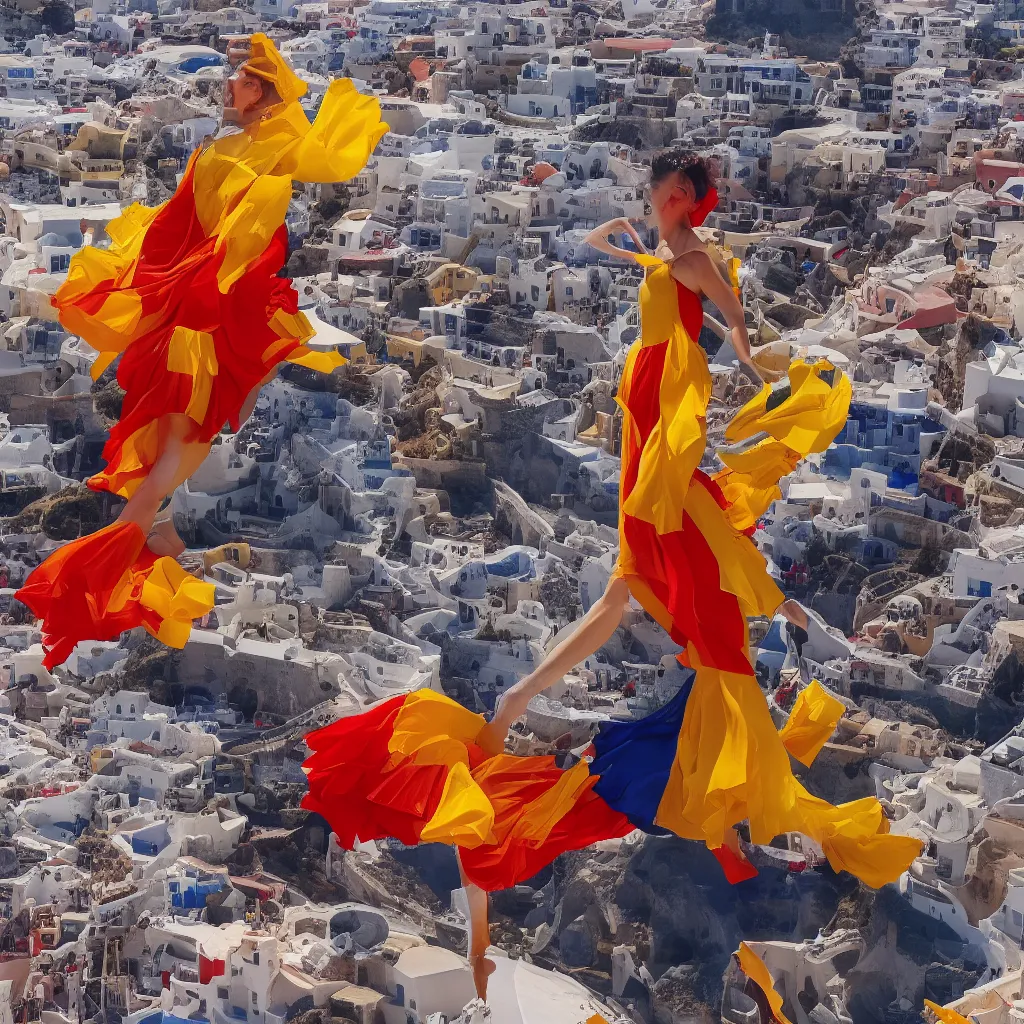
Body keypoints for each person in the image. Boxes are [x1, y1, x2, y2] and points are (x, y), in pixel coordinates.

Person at [301, 150, 922, 1001]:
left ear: (673, 195)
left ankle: (736, 828)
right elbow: (610, 604)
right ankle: (728, 832)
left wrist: (763, 367)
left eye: (651, 196)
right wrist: (517, 700)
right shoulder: (669, 262)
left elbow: (736, 320)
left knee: (693, 649)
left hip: (664, 415)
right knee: (644, 605)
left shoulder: (695, 258)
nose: (644, 204)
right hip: (647, 425)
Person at [16, 35, 387, 669]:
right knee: (174, 447)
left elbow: (287, 189)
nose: (226, 85)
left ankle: (122, 560)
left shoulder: (271, 146)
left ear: (262, 91)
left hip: (213, 303)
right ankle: (137, 553)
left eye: (239, 78)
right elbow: (187, 218)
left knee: (174, 448)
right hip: (202, 301)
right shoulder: (230, 145)